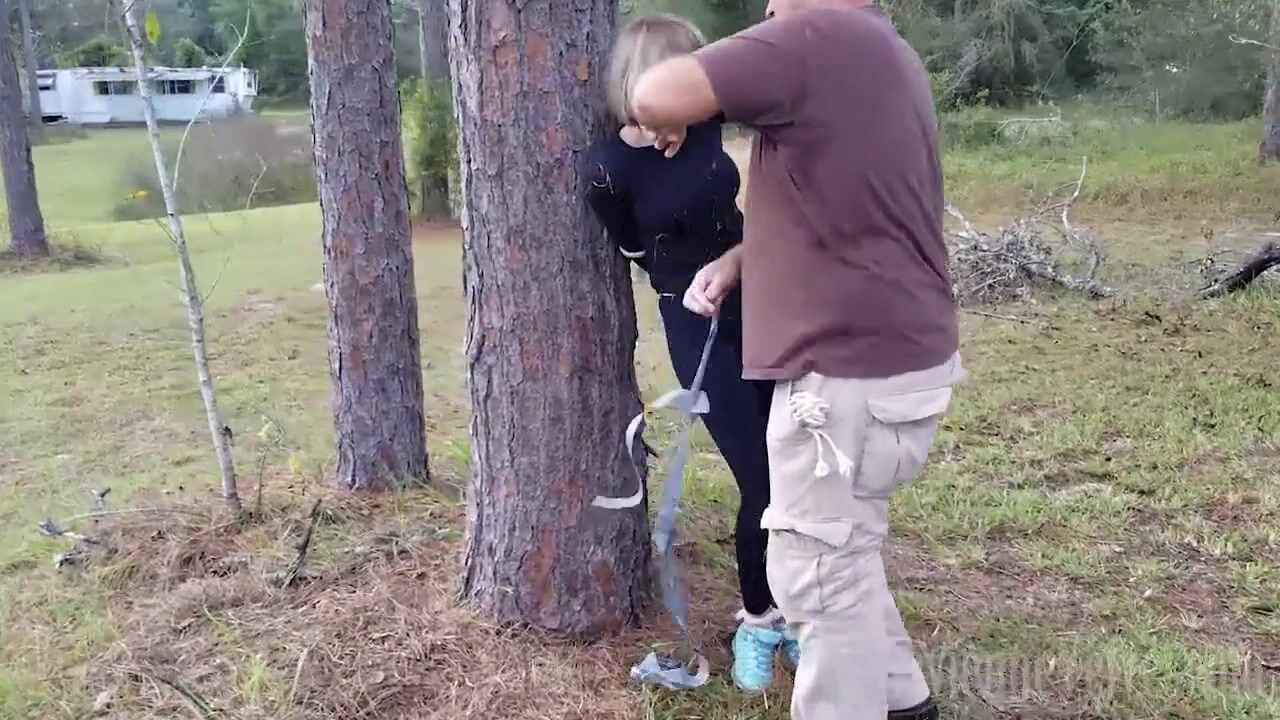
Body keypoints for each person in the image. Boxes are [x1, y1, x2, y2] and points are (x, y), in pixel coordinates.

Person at [625, 2, 963, 720]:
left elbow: (654, 93)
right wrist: (744, 258)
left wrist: (675, 115)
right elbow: (853, 209)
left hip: (846, 374)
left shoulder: (818, 32)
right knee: (847, 560)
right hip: (895, 360)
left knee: (812, 575)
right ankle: (906, 707)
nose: (769, 6)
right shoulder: (881, 50)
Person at [583, 14, 799, 694]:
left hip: (767, 297)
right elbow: (634, 248)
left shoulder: (705, 124)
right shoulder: (608, 168)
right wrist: (682, 281)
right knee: (761, 479)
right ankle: (759, 618)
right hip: (697, 323)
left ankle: (796, 606)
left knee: (796, 468)